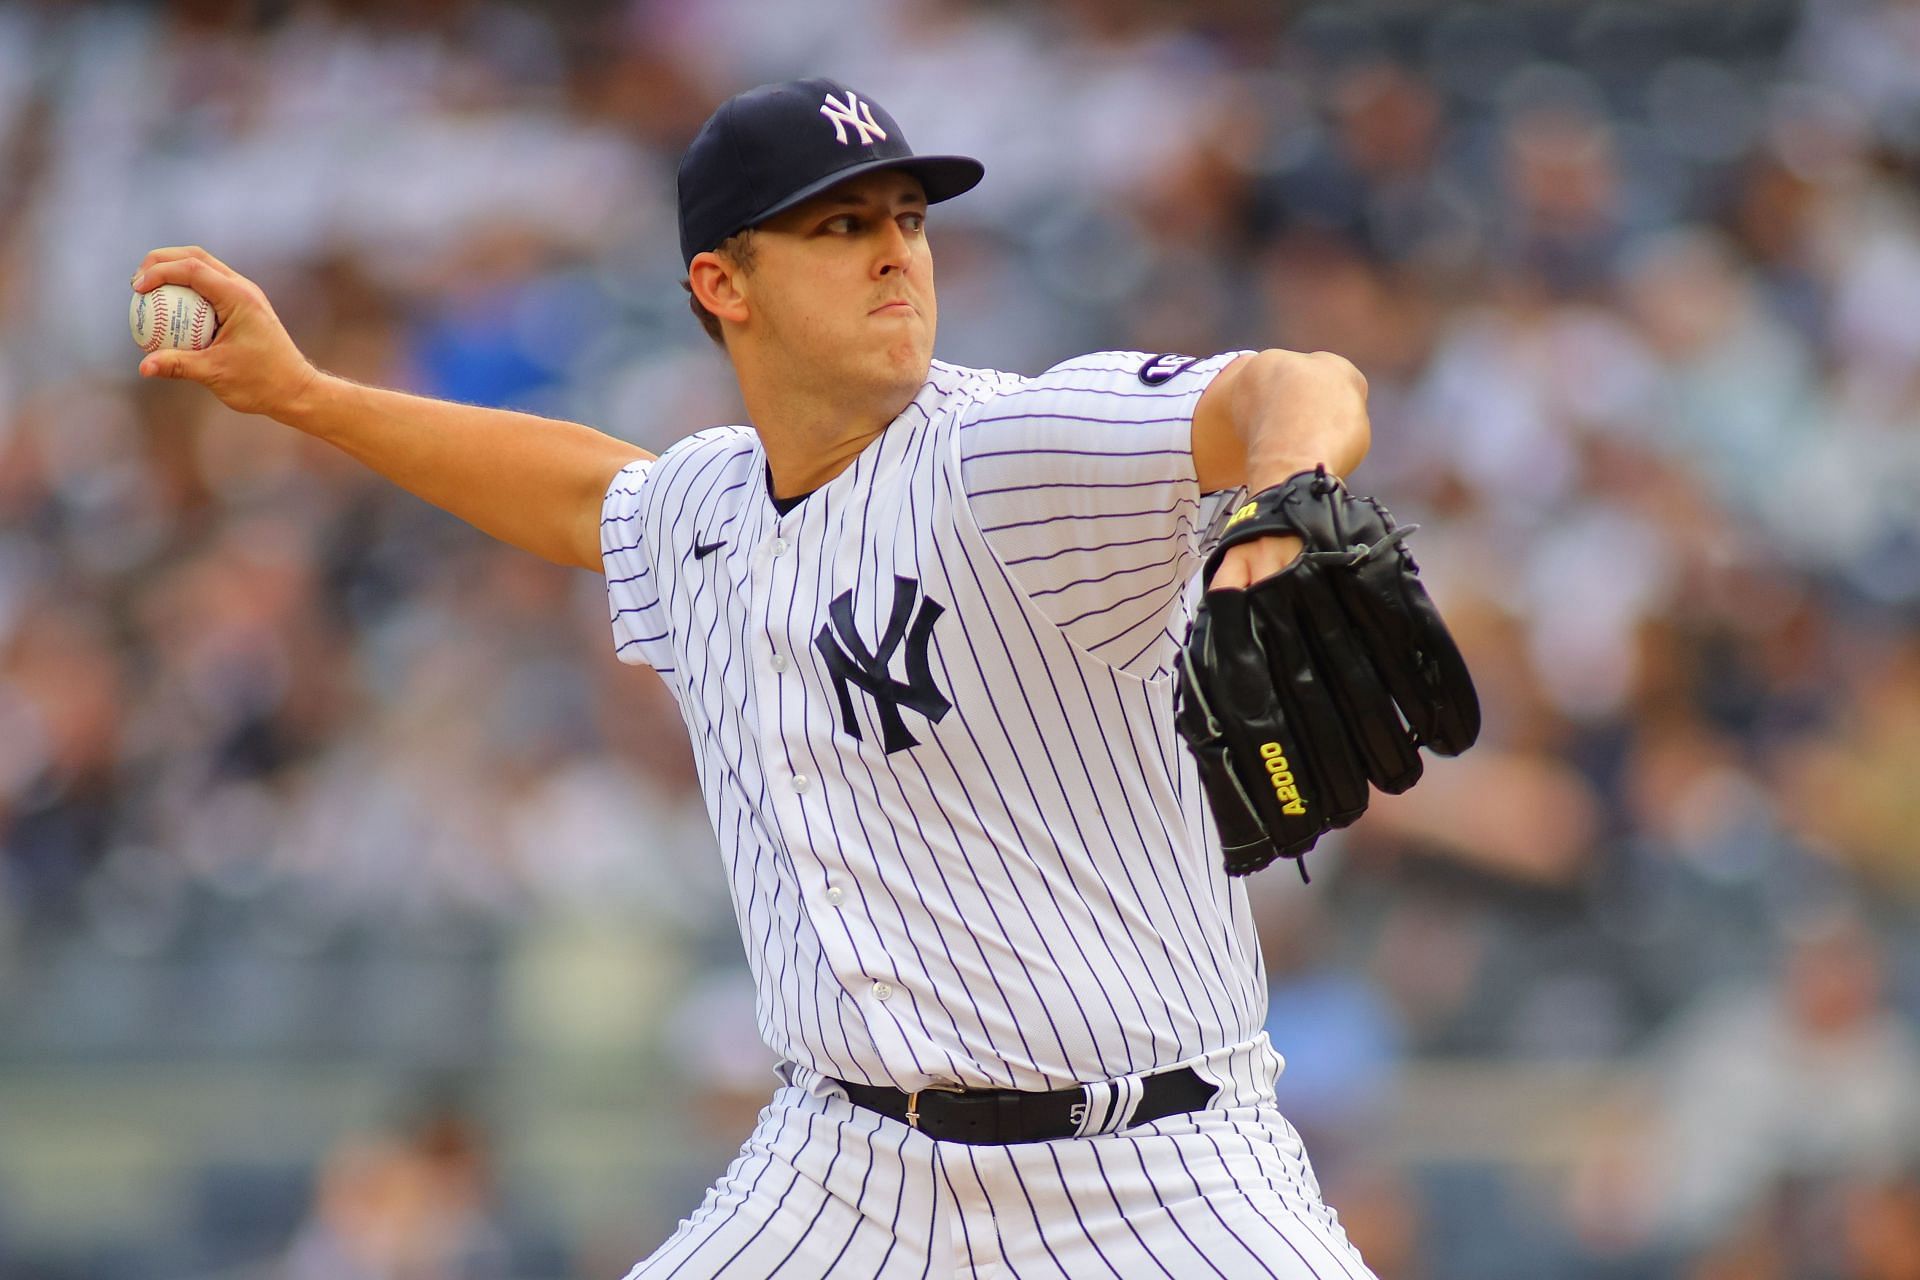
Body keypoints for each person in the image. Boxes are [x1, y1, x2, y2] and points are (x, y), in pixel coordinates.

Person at [135, 77, 1378, 1280]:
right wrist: (301, 395)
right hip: (845, 1170)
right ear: (720, 283)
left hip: (1159, 1171)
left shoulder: (1013, 456)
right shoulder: (704, 512)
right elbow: (578, 489)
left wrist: (1276, 505)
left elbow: (1301, 383)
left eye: (908, 218)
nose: (897, 252)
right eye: (841, 225)